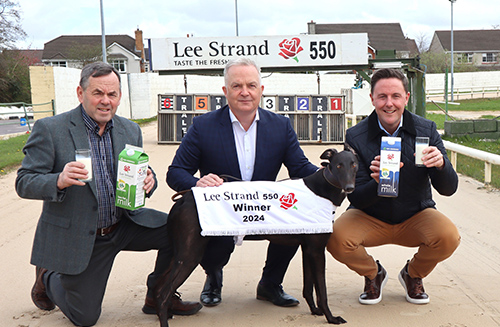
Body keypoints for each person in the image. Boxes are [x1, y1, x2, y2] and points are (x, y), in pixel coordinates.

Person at [16, 62, 201, 327]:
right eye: (98, 93)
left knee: (183, 229)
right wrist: (58, 179)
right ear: (81, 94)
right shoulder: (51, 129)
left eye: (112, 94)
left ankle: (158, 295)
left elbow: (137, 171)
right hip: (83, 233)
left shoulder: (130, 130)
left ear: (119, 97)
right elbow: (24, 182)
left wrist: (149, 180)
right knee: (85, 317)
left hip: (125, 223)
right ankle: (48, 276)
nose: (106, 101)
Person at [167, 57, 318, 308]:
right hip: (223, 214)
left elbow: (300, 168)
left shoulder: (280, 126)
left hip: (265, 212)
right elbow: (175, 172)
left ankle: (270, 284)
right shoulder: (203, 126)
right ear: (225, 91)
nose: (244, 92)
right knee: (216, 245)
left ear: (261, 90)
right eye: (237, 86)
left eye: (251, 85)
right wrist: (198, 182)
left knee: (295, 221)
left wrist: (332, 176)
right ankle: (213, 277)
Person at [327, 68, 461, 305]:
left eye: (396, 96)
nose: (389, 104)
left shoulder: (426, 130)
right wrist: (375, 182)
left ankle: (413, 274)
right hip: (370, 215)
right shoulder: (355, 136)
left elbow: (449, 189)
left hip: (415, 213)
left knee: (448, 236)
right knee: (335, 238)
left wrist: (441, 165)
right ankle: (373, 274)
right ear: (372, 99)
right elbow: (354, 197)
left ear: (406, 98)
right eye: (382, 97)